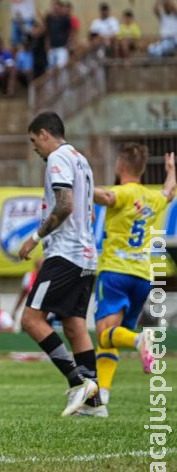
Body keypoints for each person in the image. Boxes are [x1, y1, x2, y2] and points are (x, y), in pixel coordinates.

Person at [18, 112, 99, 418]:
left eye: (33, 141)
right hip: (87, 253)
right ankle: (93, 405)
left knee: (30, 320)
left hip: (66, 253)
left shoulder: (57, 159)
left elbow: (64, 204)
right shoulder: (81, 158)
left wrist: (35, 237)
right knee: (74, 324)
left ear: (44, 134)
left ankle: (78, 383)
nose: (34, 148)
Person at [92, 147, 176, 410]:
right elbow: (169, 193)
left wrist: (79, 183)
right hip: (142, 275)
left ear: (120, 165)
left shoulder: (125, 192)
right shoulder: (152, 198)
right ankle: (102, 398)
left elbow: (106, 196)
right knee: (112, 336)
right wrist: (171, 172)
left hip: (116, 271)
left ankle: (141, 340)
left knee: (106, 334)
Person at [45, 0, 73, 69]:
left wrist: (68, 44)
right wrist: (47, 44)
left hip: (62, 47)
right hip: (52, 47)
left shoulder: (65, 18)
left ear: (60, 7)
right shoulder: (49, 18)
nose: (55, 8)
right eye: (54, 6)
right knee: (51, 68)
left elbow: (70, 32)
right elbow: (47, 32)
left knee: (61, 67)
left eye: (57, 6)